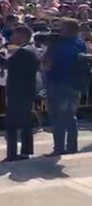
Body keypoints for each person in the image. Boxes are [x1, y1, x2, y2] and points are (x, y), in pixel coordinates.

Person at [0, 24, 40, 161]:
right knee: (26, 123)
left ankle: (12, 154)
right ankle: (26, 151)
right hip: (27, 92)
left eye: (15, 34)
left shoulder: (23, 52)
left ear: (22, 36)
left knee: (12, 125)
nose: (12, 37)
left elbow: (5, 64)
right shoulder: (33, 50)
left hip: (18, 93)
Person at [43, 18, 85, 156]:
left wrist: (49, 48)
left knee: (57, 118)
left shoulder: (58, 45)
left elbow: (47, 63)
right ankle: (72, 147)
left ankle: (59, 149)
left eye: (61, 28)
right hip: (75, 85)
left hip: (58, 83)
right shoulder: (80, 43)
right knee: (71, 117)